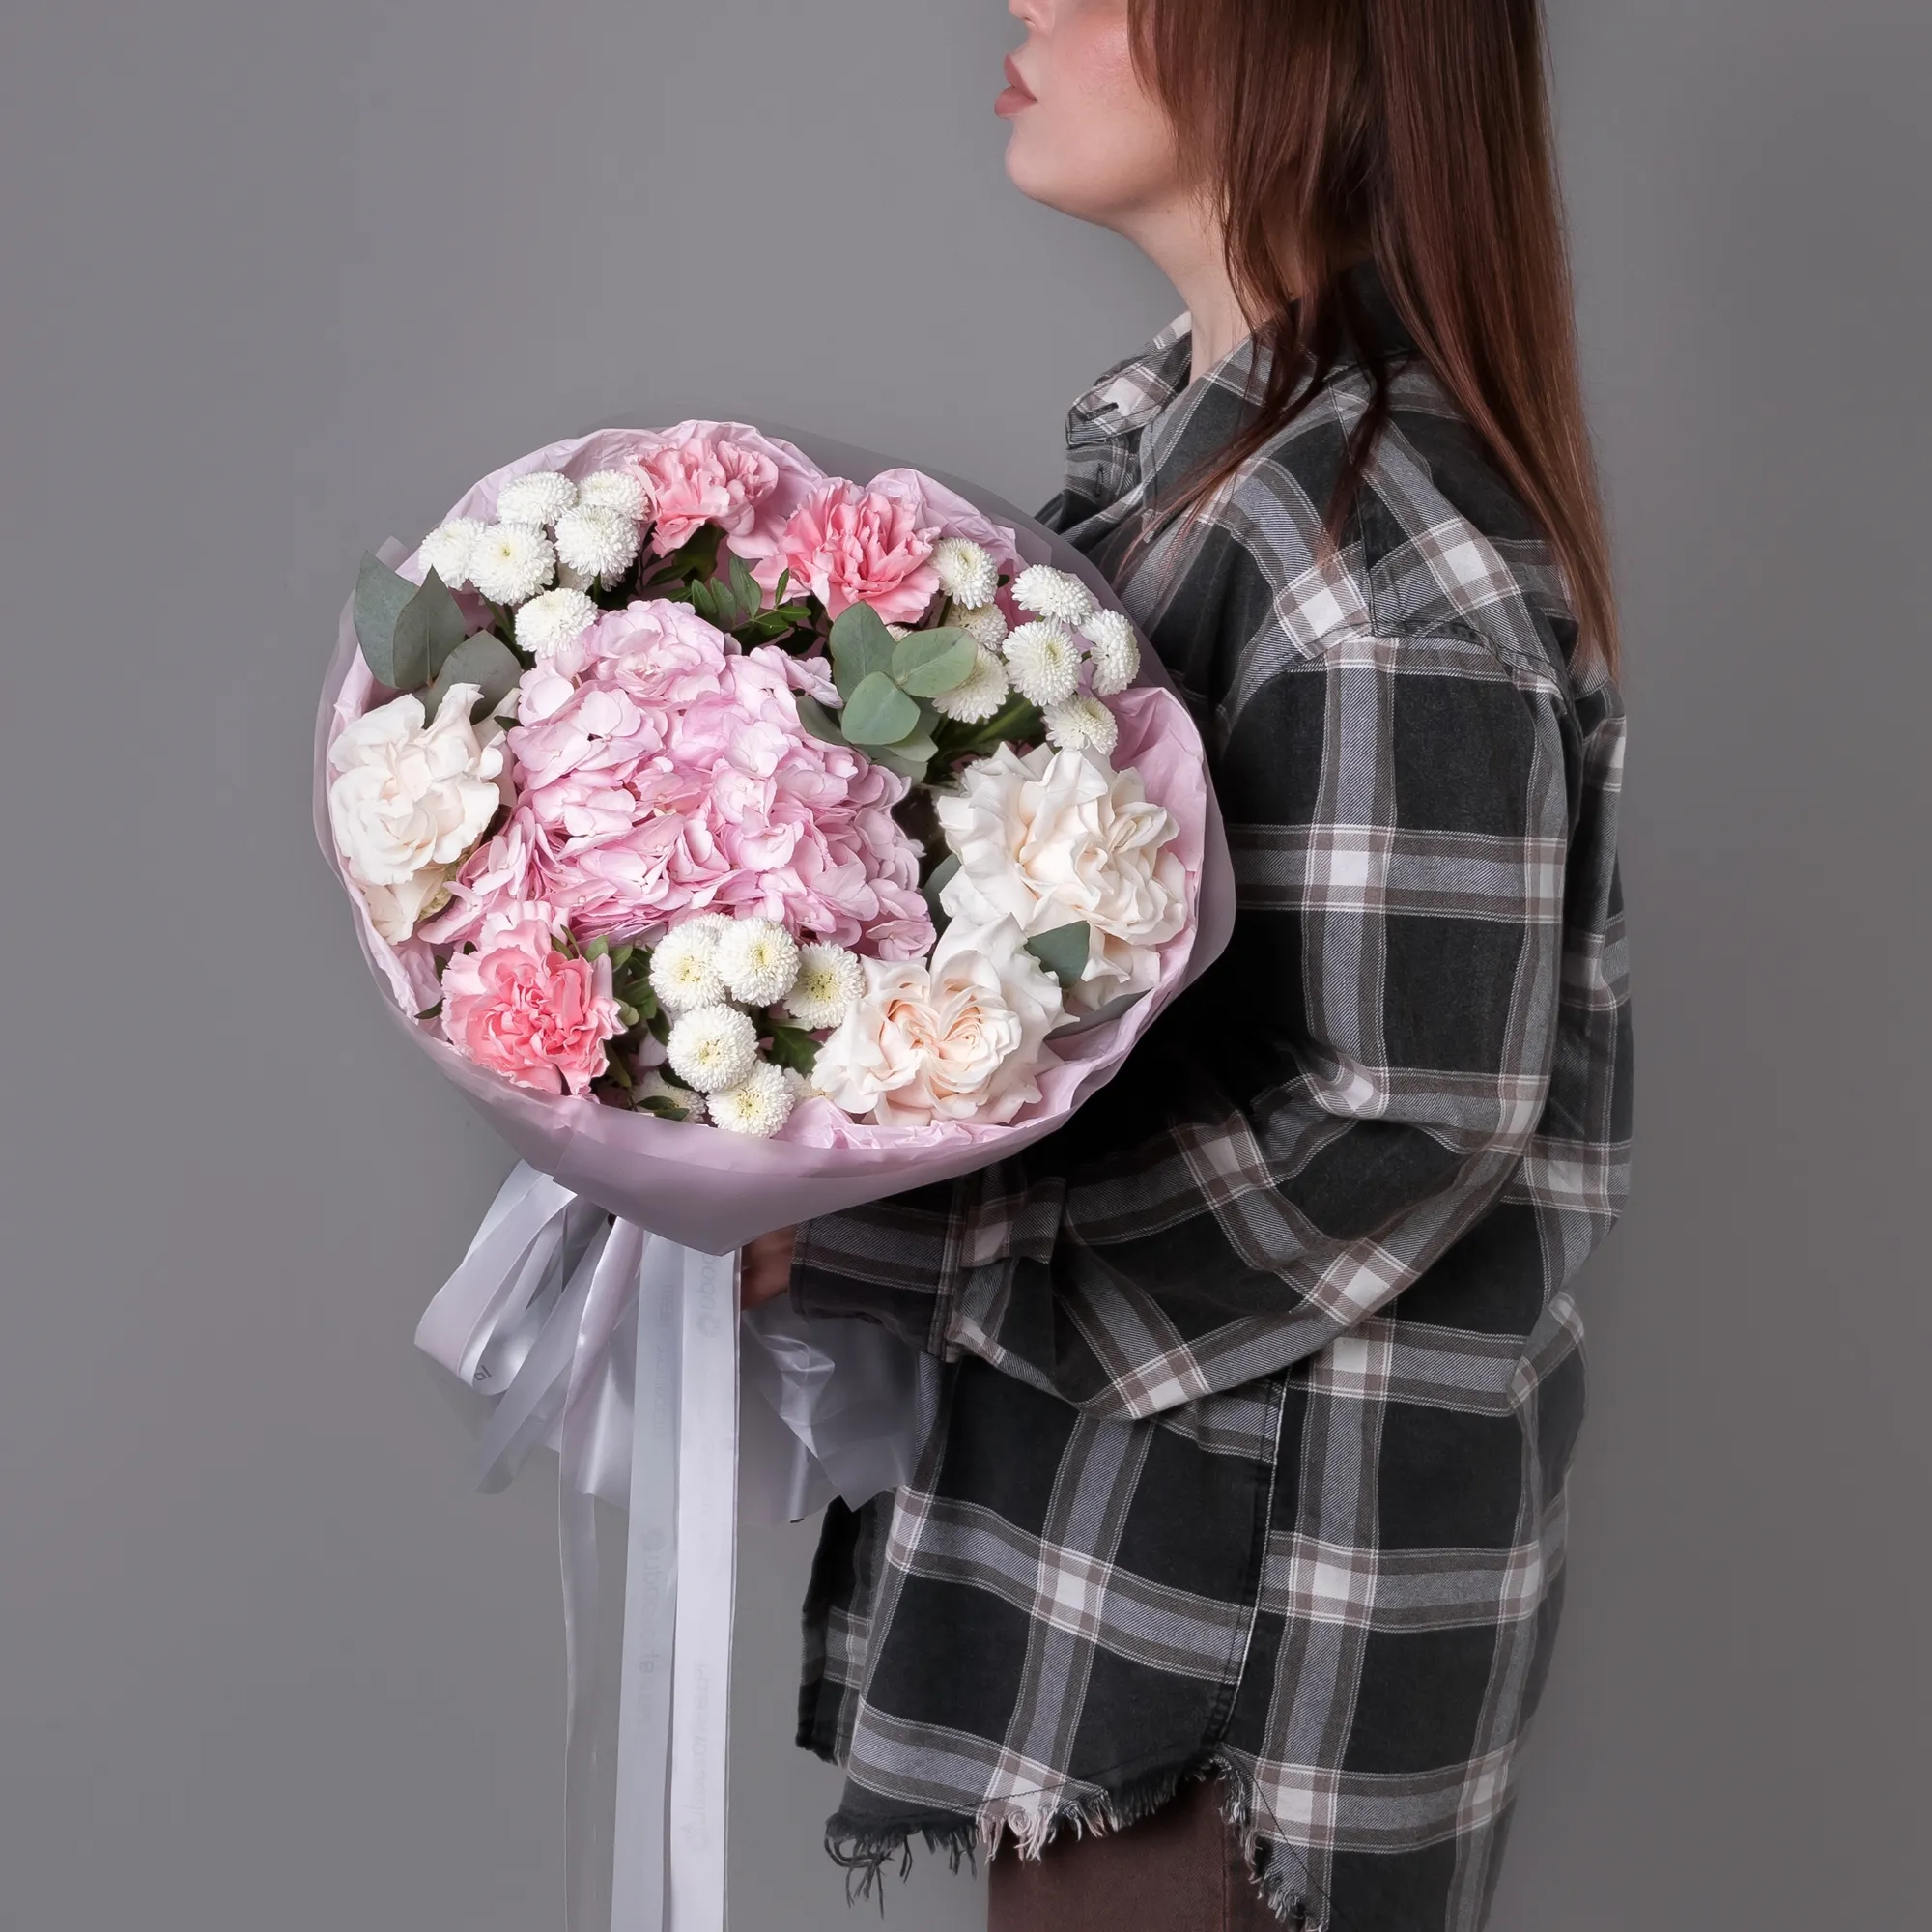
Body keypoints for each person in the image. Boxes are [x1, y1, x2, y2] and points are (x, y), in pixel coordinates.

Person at [741, 1, 1632, 1924]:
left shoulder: (1380, 558)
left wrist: (890, 1235)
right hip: (1135, 1620)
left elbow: (1397, 1118)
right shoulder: (1184, 489)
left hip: (1234, 1679)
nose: (1026, 0)